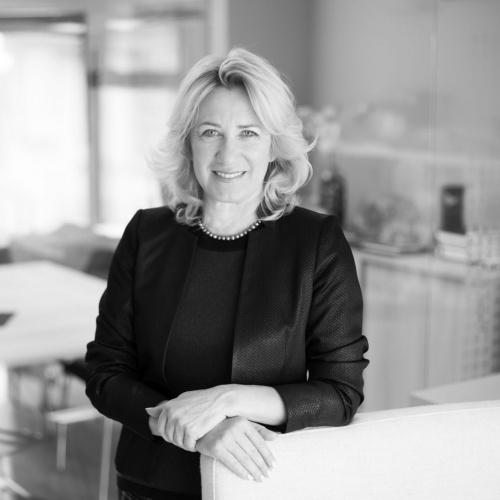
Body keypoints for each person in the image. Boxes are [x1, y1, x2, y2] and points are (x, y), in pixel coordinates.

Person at [85, 47, 369, 500]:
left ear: (274, 145)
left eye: (248, 133)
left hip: (264, 484)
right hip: (149, 485)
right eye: (210, 132)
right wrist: (198, 431)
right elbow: (105, 373)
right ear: (188, 143)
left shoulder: (316, 242)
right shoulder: (146, 234)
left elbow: (341, 393)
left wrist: (226, 400)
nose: (227, 153)